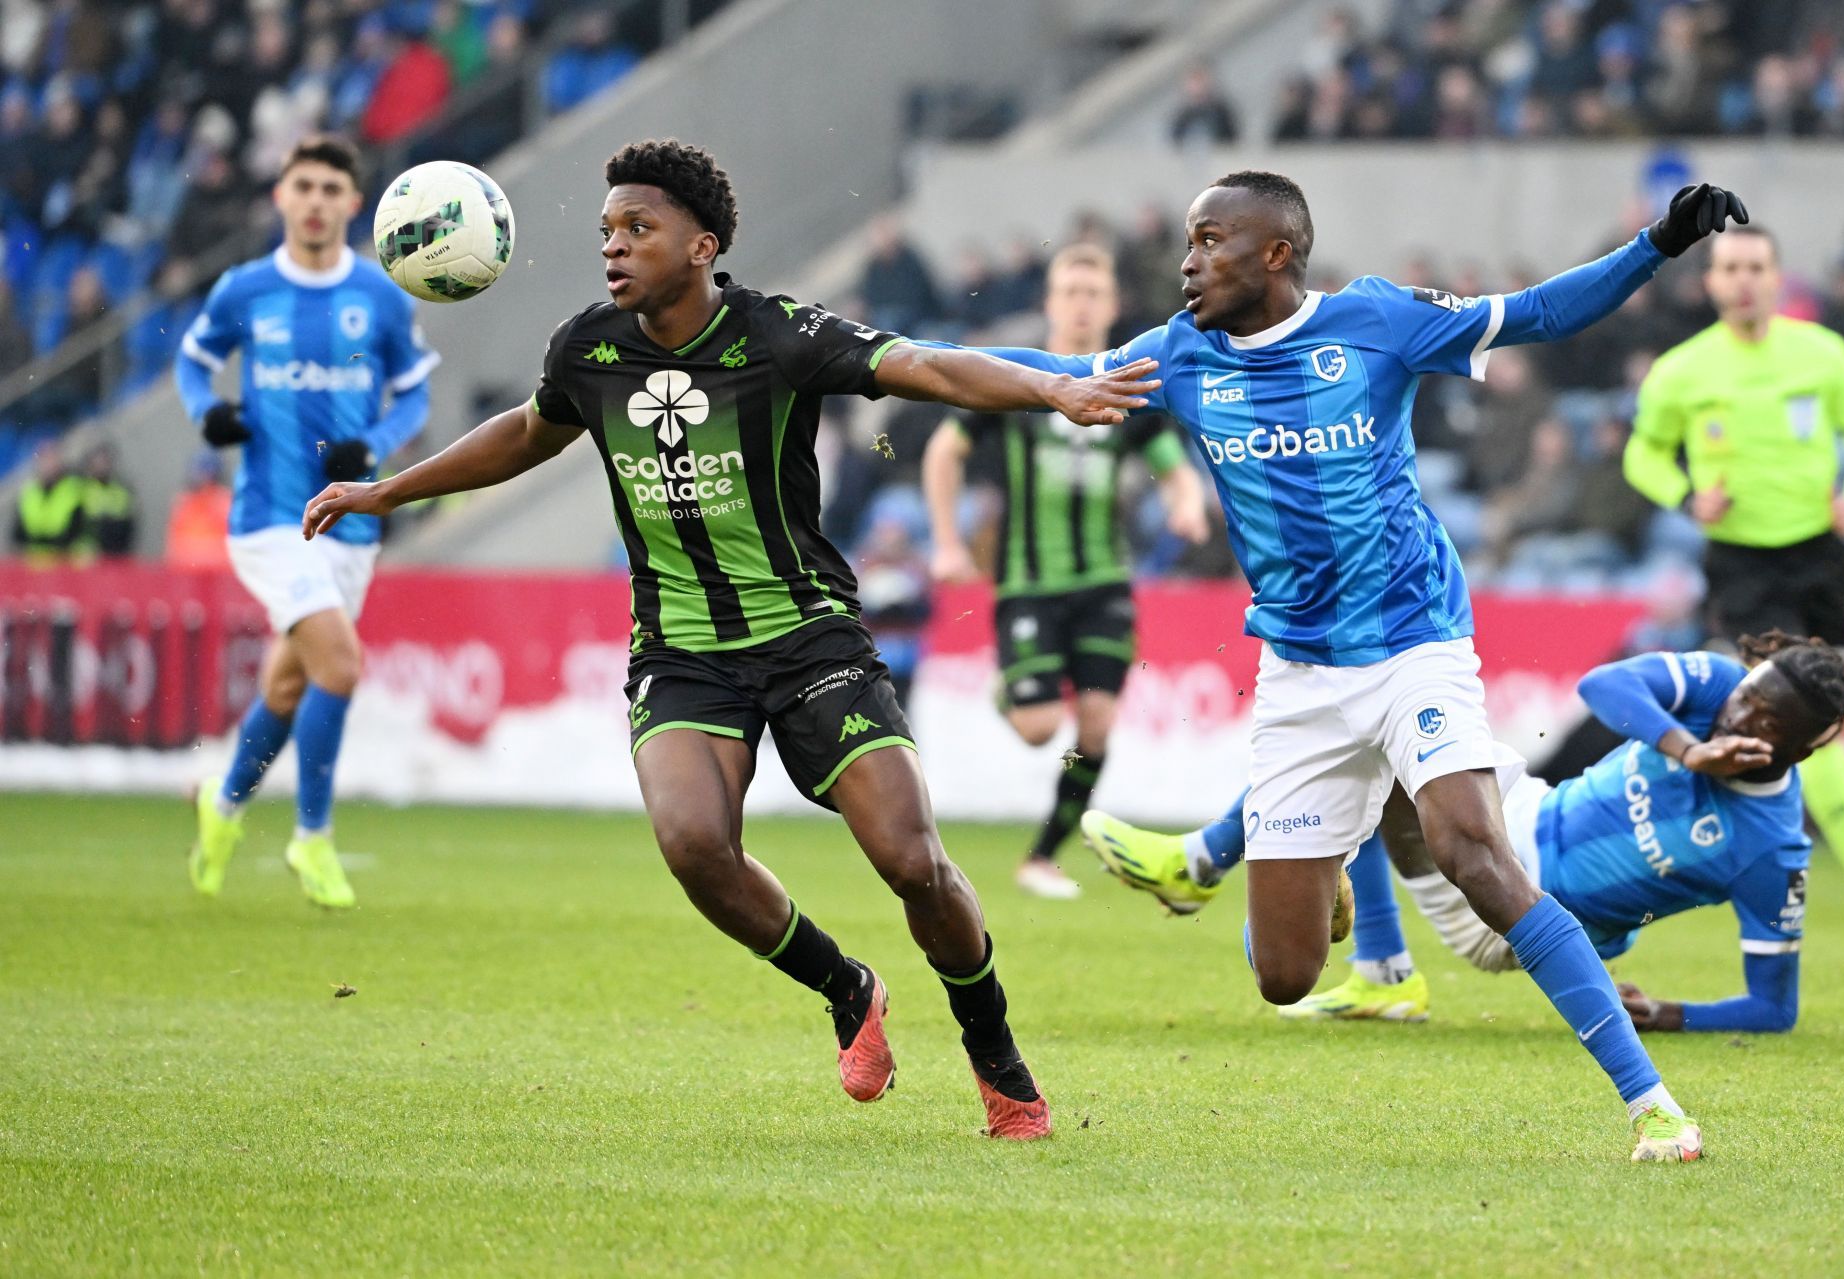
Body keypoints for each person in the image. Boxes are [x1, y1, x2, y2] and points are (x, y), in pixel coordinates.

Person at [302, 139, 1156, 1139]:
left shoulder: (779, 335)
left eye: (638, 229)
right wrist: (386, 490)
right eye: (608, 230)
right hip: (681, 653)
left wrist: (1047, 387)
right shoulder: (590, 350)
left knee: (912, 861)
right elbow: (527, 434)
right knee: (694, 845)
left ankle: (995, 1053)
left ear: (701, 245)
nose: (614, 247)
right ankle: (845, 985)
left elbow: (921, 364)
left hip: (810, 640)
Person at [969, 173, 1754, 1162]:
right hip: (1300, 675)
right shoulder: (1178, 354)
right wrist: (885, 362)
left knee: (1475, 852)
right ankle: (1324, 863)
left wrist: (1657, 243)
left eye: (1211, 241)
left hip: (1414, 644)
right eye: (1186, 241)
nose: (1187, 261)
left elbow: (1542, 313)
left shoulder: (1380, 321)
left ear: (1275, 254)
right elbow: (1039, 367)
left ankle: (1654, 1107)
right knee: (1285, 976)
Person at [1088, 633, 1844, 1037]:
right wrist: (1688, 749)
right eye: (1747, 697)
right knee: (1378, 734)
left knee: (1380, 754)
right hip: (1527, 803)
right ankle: (1375, 973)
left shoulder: (1771, 850)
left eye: (1765, 724)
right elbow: (1602, 685)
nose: (1738, 720)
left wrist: (1670, 1014)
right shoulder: (1712, 690)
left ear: (1807, 748)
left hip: (1512, 914)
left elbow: (1772, 1007)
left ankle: (1207, 867)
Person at [174, 135, 438, 909]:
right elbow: (192, 361)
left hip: (351, 526)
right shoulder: (244, 289)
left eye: (332, 189)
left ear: (354, 204)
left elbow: (416, 393)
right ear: (280, 197)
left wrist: (377, 445)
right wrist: (207, 411)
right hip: (268, 519)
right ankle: (311, 836)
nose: (317, 201)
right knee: (341, 666)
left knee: (291, 684)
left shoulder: (382, 298)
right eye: (304, 187)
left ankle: (220, 809)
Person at [1625, 224, 1844, 927]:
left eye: (1756, 265)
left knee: (1826, 718)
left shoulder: (1823, 354)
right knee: (1797, 710)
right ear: (1713, 281)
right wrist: (1688, 497)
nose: (1745, 278)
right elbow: (1644, 454)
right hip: (1743, 564)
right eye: (1731, 267)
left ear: (1777, 277)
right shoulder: (1683, 370)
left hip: (1819, 556)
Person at [922, 243, 1208, 899]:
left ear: (1111, 306)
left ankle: (1044, 854)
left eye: (1092, 293)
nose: (1080, 305)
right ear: (1050, 303)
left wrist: (1186, 506)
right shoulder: (1018, 381)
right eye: (1069, 292)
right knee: (1040, 727)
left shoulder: (1129, 387)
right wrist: (944, 541)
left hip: (1105, 583)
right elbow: (944, 451)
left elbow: (1174, 467)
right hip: (1029, 584)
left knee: (1099, 724)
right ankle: (1012, 689)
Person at [10, 442, 86, 566]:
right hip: (33, 566)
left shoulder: (73, 491)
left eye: (52, 460)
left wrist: (41, 541)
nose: (48, 465)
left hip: (65, 566)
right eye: (44, 460)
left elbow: (76, 532)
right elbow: (18, 533)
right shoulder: (30, 493)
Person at [165, 451, 233, 571]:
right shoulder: (184, 502)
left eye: (208, 474)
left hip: (219, 574)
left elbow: (231, 546)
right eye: (199, 473)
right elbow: (173, 544)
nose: (203, 479)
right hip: (186, 572)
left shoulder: (225, 502)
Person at [76, 442, 137, 560]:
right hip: (85, 557)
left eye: (104, 461)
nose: (101, 466)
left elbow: (128, 525)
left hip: (114, 555)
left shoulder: (121, 490)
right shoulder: (81, 488)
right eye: (97, 461)